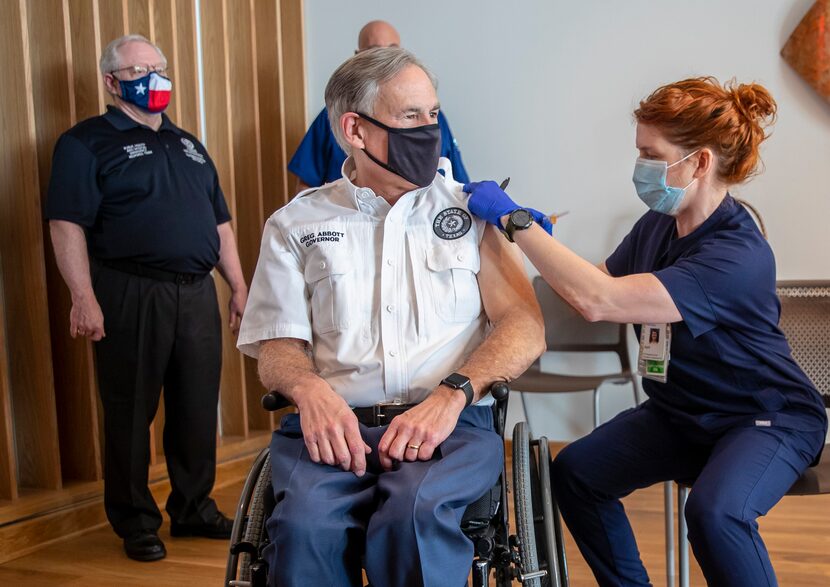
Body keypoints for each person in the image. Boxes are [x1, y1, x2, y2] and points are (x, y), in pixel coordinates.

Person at [463, 77, 828, 586]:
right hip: (682, 415)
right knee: (576, 475)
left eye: (650, 154)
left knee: (715, 514)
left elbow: (600, 301)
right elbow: (592, 286)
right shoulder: (657, 226)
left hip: (767, 419)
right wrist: (516, 252)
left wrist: (516, 222)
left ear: (699, 162)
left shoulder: (736, 254)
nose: (640, 167)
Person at [237, 47, 544, 587]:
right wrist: (310, 393)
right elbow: (278, 345)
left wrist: (452, 395)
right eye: (411, 117)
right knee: (305, 528)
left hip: (449, 425)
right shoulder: (295, 225)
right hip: (335, 428)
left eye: (433, 115)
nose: (430, 130)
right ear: (355, 129)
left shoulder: (473, 211)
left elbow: (525, 328)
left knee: (415, 515)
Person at [46, 34, 247, 562]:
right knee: (130, 411)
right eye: (140, 69)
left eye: (159, 66)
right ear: (113, 82)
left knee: (197, 407)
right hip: (129, 291)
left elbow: (220, 223)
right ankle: (136, 522)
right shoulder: (86, 142)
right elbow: (66, 224)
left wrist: (240, 287)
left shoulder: (188, 144)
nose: (153, 77)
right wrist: (82, 297)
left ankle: (193, 508)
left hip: (197, 293)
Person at [287, 20, 470, 193]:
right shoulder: (329, 119)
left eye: (392, 50)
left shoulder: (432, 119)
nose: (385, 59)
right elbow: (307, 182)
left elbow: (457, 182)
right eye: (374, 50)